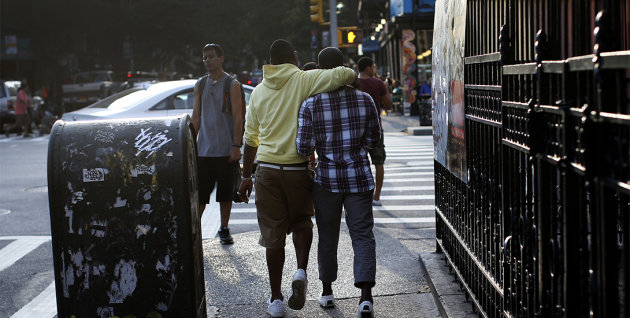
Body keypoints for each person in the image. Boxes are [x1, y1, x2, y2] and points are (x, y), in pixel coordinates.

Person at [238, 39, 358, 318]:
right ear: (293, 57)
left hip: (266, 170)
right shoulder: (304, 80)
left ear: (270, 61)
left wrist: (245, 176)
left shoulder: (257, 92)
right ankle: (301, 270)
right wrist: (348, 70)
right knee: (303, 220)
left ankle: (276, 299)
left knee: (272, 235)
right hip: (298, 168)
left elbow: (250, 139)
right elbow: (345, 74)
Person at [296, 47, 381, 318]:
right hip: (359, 177)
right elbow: (373, 141)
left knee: (328, 235)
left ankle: (327, 292)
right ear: (343, 67)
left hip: (327, 180)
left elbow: (303, 146)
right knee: (362, 235)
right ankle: (365, 298)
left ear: (320, 71)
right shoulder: (365, 99)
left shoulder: (311, 104)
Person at [191, 43, 244, 245]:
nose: (207, 60)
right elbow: (196, 117)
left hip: (225, 150)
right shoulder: (200, 85)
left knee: (225, 194)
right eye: (205, 57)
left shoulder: (232, 84)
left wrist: (236, 145)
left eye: (211, 57)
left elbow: (239, 118)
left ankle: (224, 228)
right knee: (201, 195)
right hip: (204, 150)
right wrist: (191, 145)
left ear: (221, 59)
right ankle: (195, 229)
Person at [357, 56, 392, 206]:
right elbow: (389, 105)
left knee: (358, 162)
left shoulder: (353, 83)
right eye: (373, 67)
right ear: (368, 68)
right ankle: (376, 196)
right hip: (375, 128)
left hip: (357, 130)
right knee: (378, 162)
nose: (375, 69)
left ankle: (361, 195)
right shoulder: (378, 83)